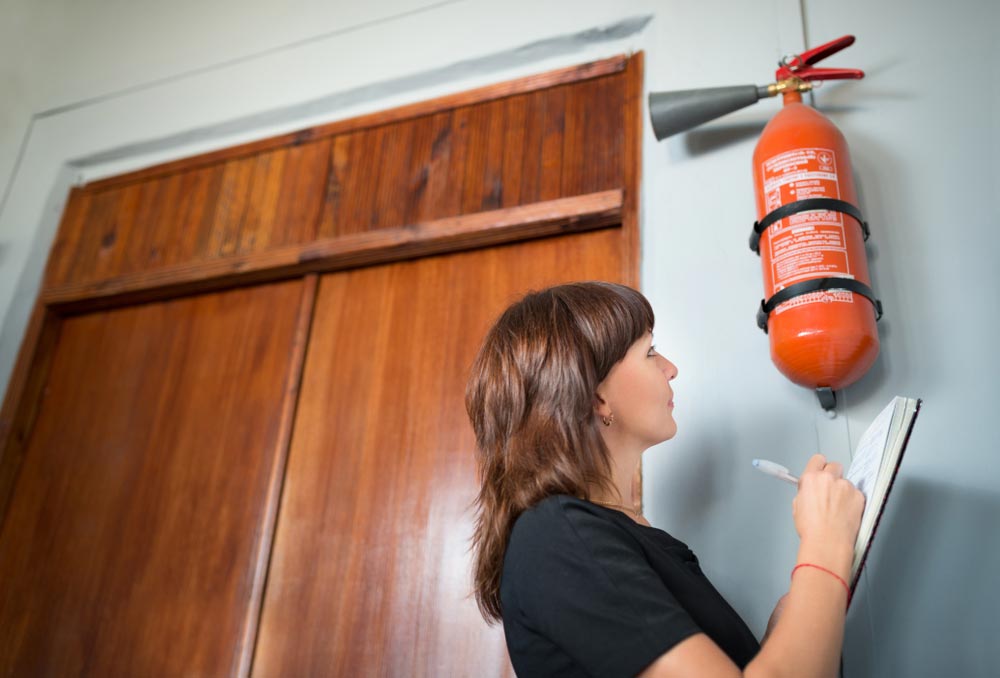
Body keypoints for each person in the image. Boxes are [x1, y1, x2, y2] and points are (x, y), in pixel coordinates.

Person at [465, 281, 865, 678]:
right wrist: (826, 543)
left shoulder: (612, 534)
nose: (671, 369)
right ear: (597, 396)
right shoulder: (559, 536)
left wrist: (795, 621)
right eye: (650, 352)